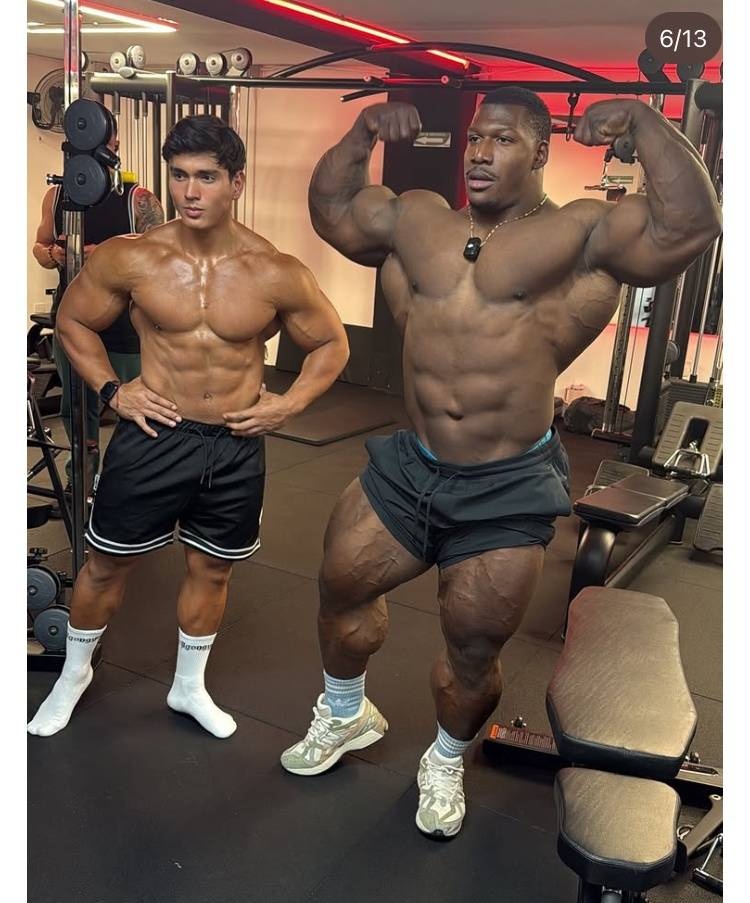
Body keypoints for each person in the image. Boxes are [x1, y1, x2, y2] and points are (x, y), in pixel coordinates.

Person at [280, 88, 722, 838]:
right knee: (340, 586)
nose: (480, 153)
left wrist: (646, 122)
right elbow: (333, 209)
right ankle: (345, 712)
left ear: (542, 151)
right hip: (411, 465)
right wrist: (361, 131)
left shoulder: (583, 231)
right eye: (476, 138)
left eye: (504, 140)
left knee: (473, 646)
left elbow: (689, 225)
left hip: (506, 482)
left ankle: (446, 756)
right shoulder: (418, 218)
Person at [27, 115, 349, 738]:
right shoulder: (134, 258)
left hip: (234, 444)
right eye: (179, 176)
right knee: (104, 565)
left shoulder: (275, 270)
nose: (190, 192)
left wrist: (288, 405)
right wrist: (114, 390)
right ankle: (73, 675)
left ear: (237, 182)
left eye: (206, 177)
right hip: (155, 436)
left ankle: (188, 686)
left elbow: (331, 344)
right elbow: (73, 320)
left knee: (212, 569)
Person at [32, 116, 165, 489]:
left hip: (127, 324)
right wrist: (54, 254)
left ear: (115, 146)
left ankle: (135, 485)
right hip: (72, 320)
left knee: (138, 408)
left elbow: (162, 257)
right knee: (76, 409)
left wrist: (107, 256)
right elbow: (40, 246)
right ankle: (81, 478)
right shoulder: (57, 196)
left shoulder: (138, 199)